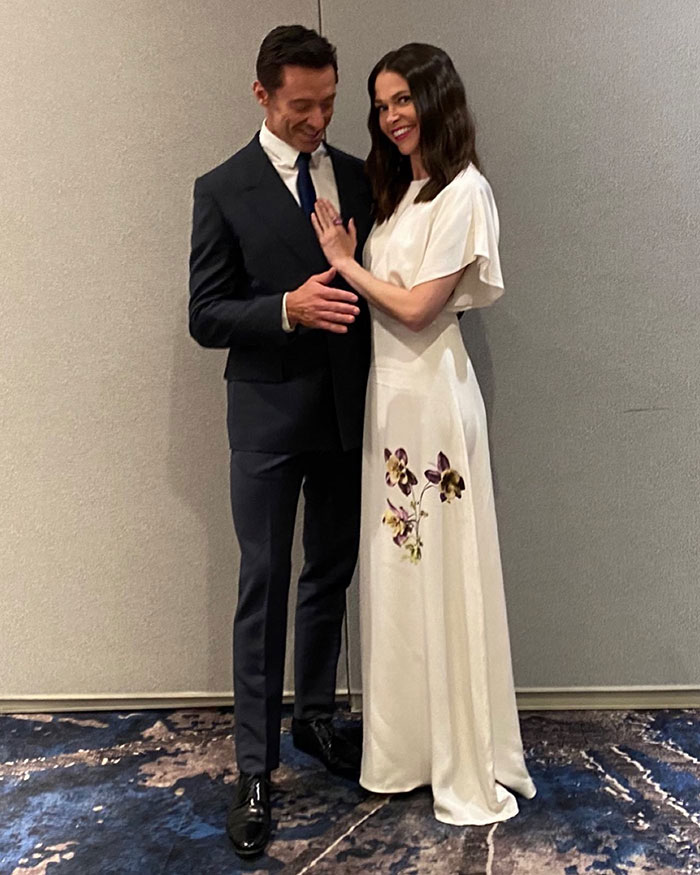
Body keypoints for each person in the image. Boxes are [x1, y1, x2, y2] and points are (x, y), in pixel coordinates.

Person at [311, 42, 537, 825]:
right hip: (392, 403)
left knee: (440, 571)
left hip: (435, 404)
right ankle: (405, 749)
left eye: (403, 97)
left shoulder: (465, 193)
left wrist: (343, 260)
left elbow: (416, 309)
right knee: (401, 572)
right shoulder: (405, 194)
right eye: (380, 103)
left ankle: (461, 754)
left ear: (437, 98)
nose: (390, 114)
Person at [188, 25, 373, 858]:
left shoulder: (364, 177)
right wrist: (286, 309)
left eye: (329, 104)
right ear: (262, 94)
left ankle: (316, 723)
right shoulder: (221, 187)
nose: (318, 120)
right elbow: (205, 314)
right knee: (264, 587)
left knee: (329, 573)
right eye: (302, 106)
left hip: (345, 413)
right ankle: (255, 769)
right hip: (264, 421)